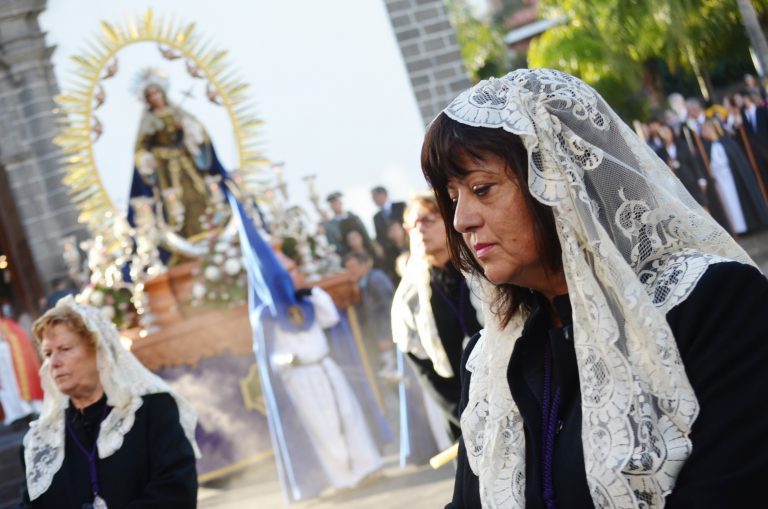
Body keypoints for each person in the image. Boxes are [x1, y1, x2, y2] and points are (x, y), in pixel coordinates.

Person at [419, 69, 768, 508]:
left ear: (561, 180)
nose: (460, 220)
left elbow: (733, 487)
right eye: (453, 197)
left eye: (482, 188)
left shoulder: (709, 303)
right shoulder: (488, 361)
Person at [18, 297, 199, 508]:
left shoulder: (153, 410)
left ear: (99, 352)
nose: (54, 363)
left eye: (65, 349)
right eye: (48, 353)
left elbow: (176, 491)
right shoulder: (42, 441)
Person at [391, 192, 482, 442]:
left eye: (429, 220)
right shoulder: (409, 302)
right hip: (462, 419)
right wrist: (468, 419)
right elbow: (427, 375)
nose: (420, 230)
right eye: (413, 225)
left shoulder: (483, 272)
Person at [131, 83, 216, 238]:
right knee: (175, 201)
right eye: (150, 95)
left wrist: (185, 127)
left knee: (199, 192)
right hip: (166, 168)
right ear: (147, 100)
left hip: (186, 161)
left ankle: (212, 226)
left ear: (163, 93)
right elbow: (140, 148)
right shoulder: (149, 121)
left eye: (157, 92)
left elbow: (199, 133)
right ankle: (185, 235)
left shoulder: (178, 113)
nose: (155, 97)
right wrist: (146, 159)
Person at [700, 119, 768, 234]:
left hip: (732, 178)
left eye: (705, 130)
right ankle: (736, 229)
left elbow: (738, 162)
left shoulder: (727, 142)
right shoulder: (705, 148)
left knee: (739, 201)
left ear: (712, 129)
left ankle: (750, 225)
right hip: (719, 181)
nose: (703, 133)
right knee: (728, 205)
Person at [323, 192, 374, 258]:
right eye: (333, 204)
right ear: (331, 207)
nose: (335, 205)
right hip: (347, 257)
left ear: (341, 203)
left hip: (365, 252)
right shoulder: (329, 226)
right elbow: (334, 245)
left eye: (337, 202)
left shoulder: (354, 217)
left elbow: (365, 234)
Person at [371, 186, 406, 283]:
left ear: (383, 194)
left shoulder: (401, 206)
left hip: (408, 244)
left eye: (375, 197)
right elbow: (379, 237)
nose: (373, 200)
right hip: (392, 255)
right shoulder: (376, 217)